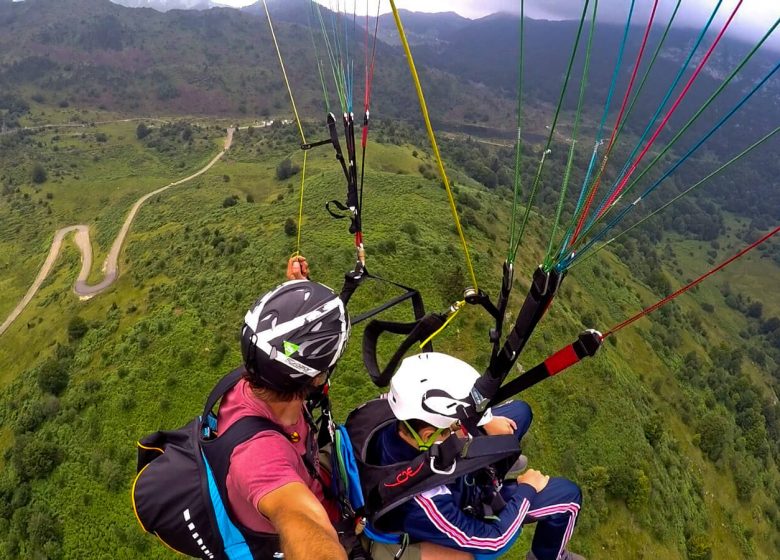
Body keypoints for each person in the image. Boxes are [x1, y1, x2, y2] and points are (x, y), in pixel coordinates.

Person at [366, 352, 584, 560]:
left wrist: (485, 421)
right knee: (568, 496)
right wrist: (528, 489)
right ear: (429, 435)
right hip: (466, 503)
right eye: (458, 425)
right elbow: (494, 541)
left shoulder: (399, 410)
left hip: (455, 472)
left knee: (520, 412)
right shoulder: (426, 501)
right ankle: (549, 556)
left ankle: (497, 463)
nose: (464, 429)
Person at [214, 255, 349, 560]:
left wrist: (296, 292)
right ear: (315, 378)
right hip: (313, 512)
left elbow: (281, 348)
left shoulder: (259, 372)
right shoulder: (260, 458)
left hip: (310, 469)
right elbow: (300, 519)